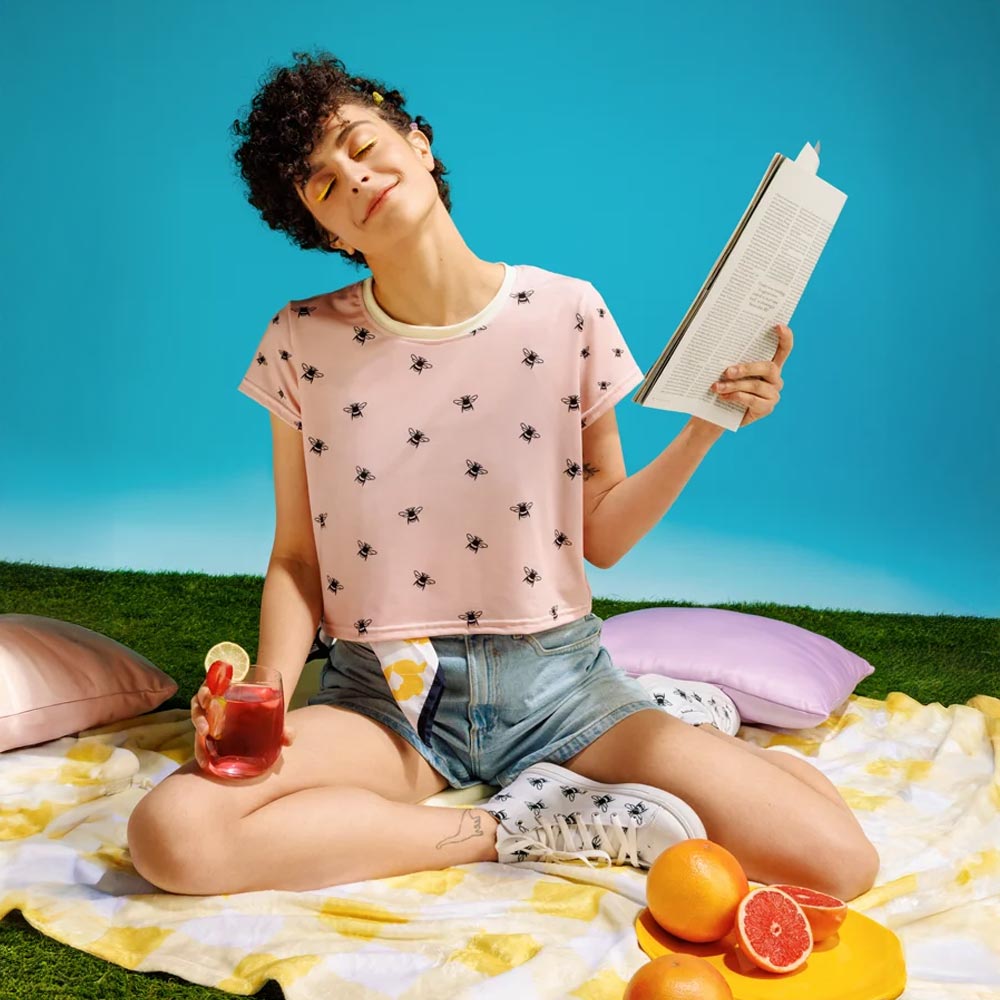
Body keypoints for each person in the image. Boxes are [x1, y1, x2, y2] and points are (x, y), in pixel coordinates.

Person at [126, 50, 879, 902]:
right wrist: (266, 683)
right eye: (323, 183)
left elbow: (606, 535)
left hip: (562, 687)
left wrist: (707, 428)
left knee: (841, 864)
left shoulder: (567, 311)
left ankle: (670, 741)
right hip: (386, 701)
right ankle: (526, 824)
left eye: (360, 144)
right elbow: (298, 560)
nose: (353, 176)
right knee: (173, 836)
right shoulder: (299, 342)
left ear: (418, 141)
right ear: (325, 231)